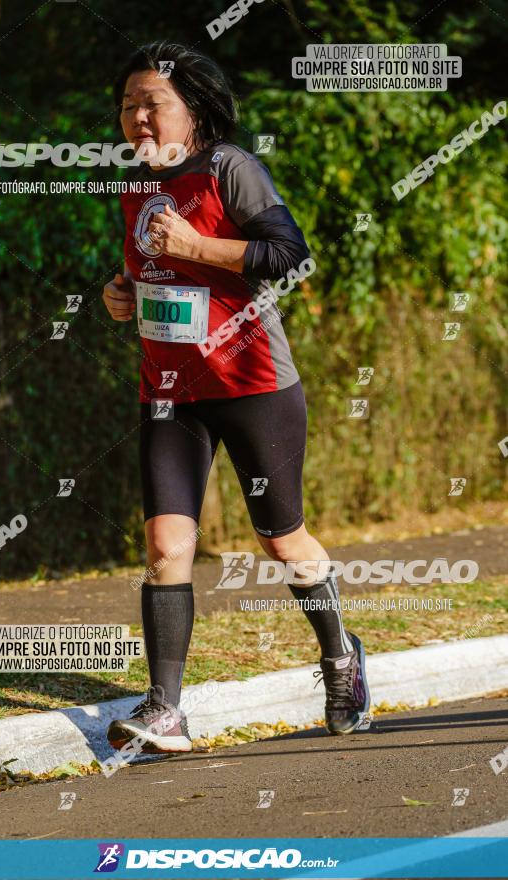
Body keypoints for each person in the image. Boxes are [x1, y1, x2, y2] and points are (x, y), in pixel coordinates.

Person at [102, 41, 370, 754]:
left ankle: (340, 657)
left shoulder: (229, 168)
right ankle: (165, 710)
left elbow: (289, 254)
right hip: (167, 392)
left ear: (191, 109)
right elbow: (145, 264)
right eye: (128, 104)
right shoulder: (132, 178)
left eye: (151, 102)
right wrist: (121, 294)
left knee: (280, 540)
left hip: (252, 386)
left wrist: (195, 248)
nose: (137, 116)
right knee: (166, 544)